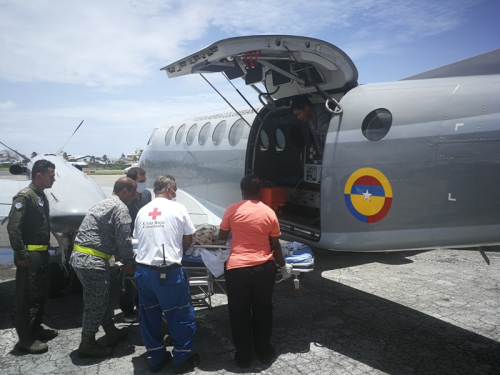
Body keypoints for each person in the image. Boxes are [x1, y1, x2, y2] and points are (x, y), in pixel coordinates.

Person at [217, 174, 292, 368]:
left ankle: (243, 356)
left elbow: (221, 237)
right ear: (259, 192)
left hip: (237, 269)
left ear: (242, 191)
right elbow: (275, 245)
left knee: (239, 312)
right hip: (263, 269)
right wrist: (283, 266)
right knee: (263, 310)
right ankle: (264, 351)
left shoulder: (232, 210)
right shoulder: (269, 213)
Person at [134, 174, 199, 373]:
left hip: (143, 272)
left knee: (149, 314)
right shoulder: (177, 208)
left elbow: (139, 239)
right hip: (167, 273)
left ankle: (156, 357)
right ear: (169, 189)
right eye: (175, 189)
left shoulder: (143, 211)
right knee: (179, 313)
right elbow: (188, 238)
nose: (176, 192)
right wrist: (181, 249)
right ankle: (181, 359)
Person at [69, 177, 137, 358]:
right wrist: (130, 261)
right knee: (95, 304)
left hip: (81, 258)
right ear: (124, 191)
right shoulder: (121, 208)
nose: (135, 196)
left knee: (101, 298)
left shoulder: (103, 204)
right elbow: (124, 238)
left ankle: (111, 331)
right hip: (92, 261)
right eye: (133, 192)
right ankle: (87, 343)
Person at [7, 159, 57, 354]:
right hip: (29, 255)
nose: (53, 179)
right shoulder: (25, 196)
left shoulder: (39, 195)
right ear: (39, 175)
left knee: (40, 294)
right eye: (50, 176)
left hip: (41, 253)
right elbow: (14, 227)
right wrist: (20, 253)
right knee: (27, 296)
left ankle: (35, 329)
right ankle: (26, 339)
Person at [120, 167, 152, 323]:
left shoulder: (147, 195)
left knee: (143, 275)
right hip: (128, 241)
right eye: (141, 182)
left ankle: (141, 305)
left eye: (145, 181)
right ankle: (127, 309)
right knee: (127, 277)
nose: (144, 185)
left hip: (144, 241)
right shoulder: (125, 199)